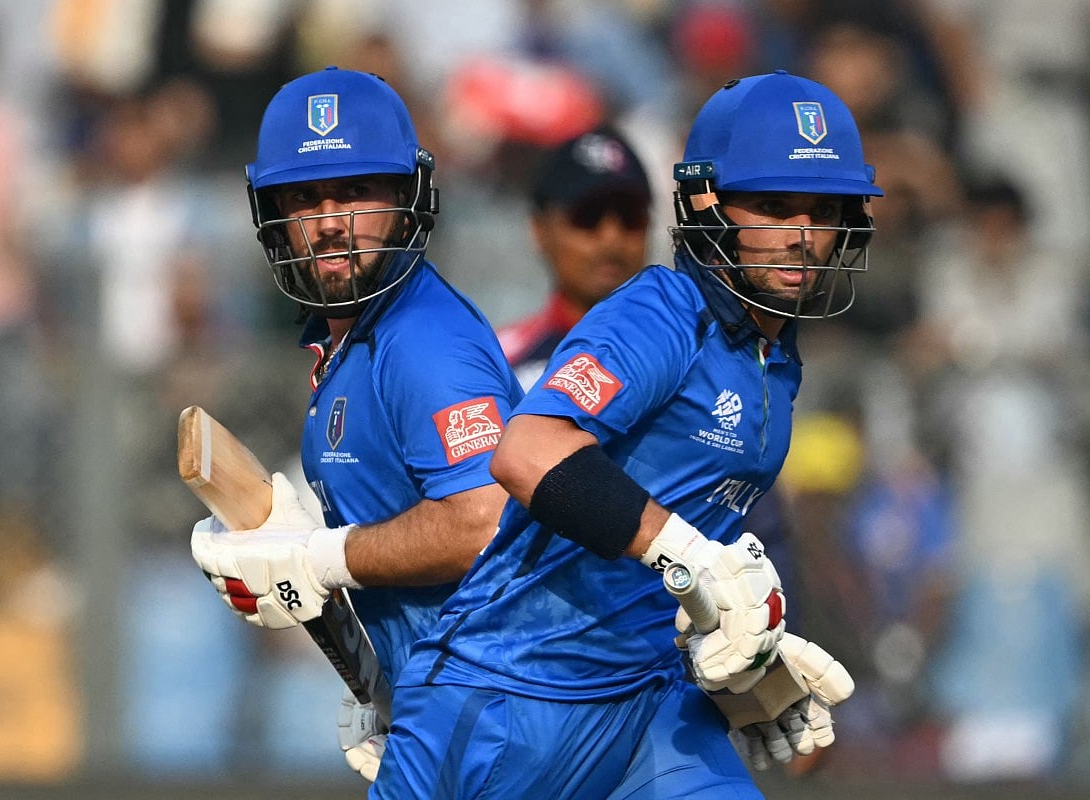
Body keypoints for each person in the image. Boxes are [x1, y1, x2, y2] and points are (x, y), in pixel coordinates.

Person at [367, 70, 883, 798]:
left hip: (649, 702)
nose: (801, 236)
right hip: (507, 692)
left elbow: (696, 556)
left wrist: (751, 664)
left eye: (821, 211)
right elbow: (528, 450)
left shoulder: (775, 357)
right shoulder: (663, 311)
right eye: (772, 207)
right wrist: (691, 560)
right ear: (708, 203)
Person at [188, 66, 523, 780]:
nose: (332, 219)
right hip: (445, 712)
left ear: (410, 200)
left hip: (501, 719)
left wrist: (314, 557)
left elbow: (485, 520)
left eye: (359, 191)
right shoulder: (346, 343)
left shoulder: (425, 343)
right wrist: (383, 685)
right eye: (306, 196)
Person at [497, 125, 653, 390]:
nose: (611, 238)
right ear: (539, 230)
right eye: (587, 216)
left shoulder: (698, 358)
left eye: (630, 216)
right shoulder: (500, 367)